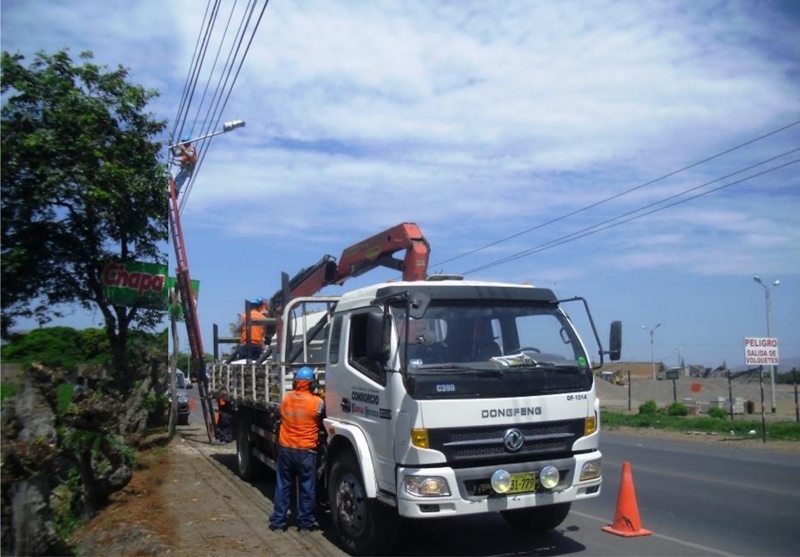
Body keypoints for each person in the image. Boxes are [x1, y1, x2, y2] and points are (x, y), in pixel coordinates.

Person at [269, 366, 325, 533]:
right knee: (307, 488)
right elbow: (322, 416)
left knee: (283, 486)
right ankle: (305, 524)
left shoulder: (286, 399)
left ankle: (279, 522)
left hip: (286, 449)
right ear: (312, 385)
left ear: (295, 383)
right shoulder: (317, 402)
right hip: (306, 452)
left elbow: (279, 414)